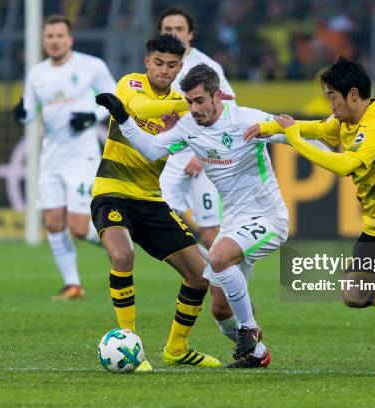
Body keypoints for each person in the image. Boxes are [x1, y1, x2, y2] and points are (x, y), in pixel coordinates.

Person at [95, 63, 321, 368]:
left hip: (269, 218)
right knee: (219, 307)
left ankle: (249, 329)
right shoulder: (188, 128)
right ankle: (256, 354)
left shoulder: (246, 119)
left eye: (200, 101)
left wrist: (337, 149)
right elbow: (150, 149)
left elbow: (298, 136)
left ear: (217, 96)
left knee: (216, 257)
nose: (194, 109)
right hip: (234, 223)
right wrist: (123, 117)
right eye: (188, 102)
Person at [245, 58, 375, 374]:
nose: (330, 103)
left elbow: (344, 166)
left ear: (353, 94)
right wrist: (266, 128)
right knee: (353, 295)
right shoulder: (345, 121)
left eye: (332, 96)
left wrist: (295, 141)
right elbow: (314, 128)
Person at [90, 35, 220, 371]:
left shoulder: (182, 105)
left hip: (151, 199)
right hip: (112, 189)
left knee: (200, 275)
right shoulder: (132, 84)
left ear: (180, 68)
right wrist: (185, 105)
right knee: (122, 254)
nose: (163, 71)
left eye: (171, 65)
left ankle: (177, 349)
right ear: (147, 61)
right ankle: (128, 340)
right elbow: (139, 109)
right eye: (158, 63)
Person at [12, 15, 116, 300]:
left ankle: (118, 245)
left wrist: (91, 116)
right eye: (49, 36)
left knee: (79, 228)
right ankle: (73, 285)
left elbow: (116, 96)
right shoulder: (37, 73)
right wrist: (22, 114)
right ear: (43, 41)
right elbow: (30, 109)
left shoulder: (91, 66)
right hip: (51, 157)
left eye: (59, 35)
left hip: (81, 155)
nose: (54, 41)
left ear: (69, 39)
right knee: (54, 223)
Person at [157, 6, 241, 347]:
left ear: (191, 34)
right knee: (158, 209)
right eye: (167, 27)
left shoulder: (207, 67)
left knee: (210, 231)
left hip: (203, 157)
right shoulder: (159, 67)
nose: (173, 32)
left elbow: (229, 106)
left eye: (179, 27)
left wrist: (199, 152)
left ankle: (224, 277)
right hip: (173, 154)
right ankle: (214, 270)